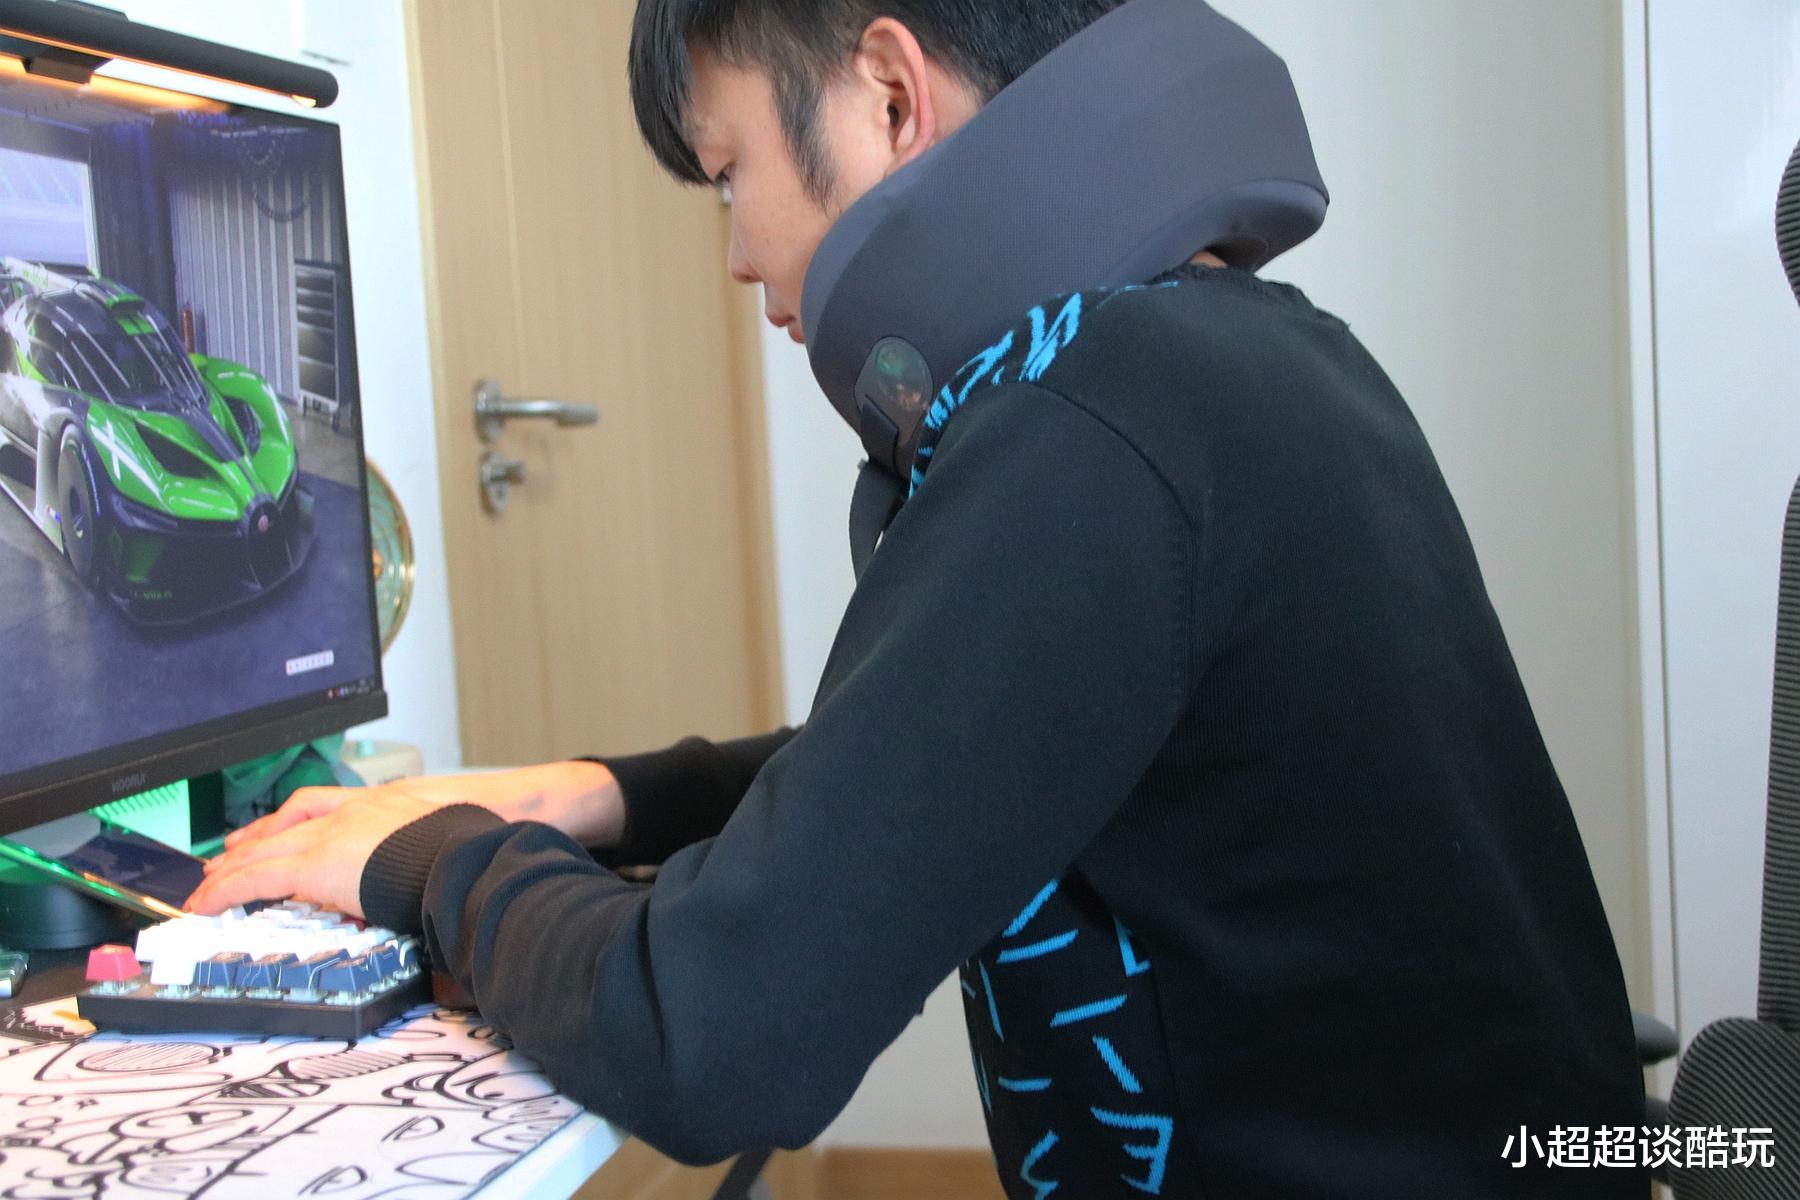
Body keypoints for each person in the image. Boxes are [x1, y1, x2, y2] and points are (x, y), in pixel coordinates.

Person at [188, 2, 1648, 1195]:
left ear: (889, 100)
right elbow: (959, 754)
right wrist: (602, 796)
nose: (739, 254)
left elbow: (714, 1036)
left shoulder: (1090, 427)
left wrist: (423, 861)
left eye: (729, 173)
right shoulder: (1232, 361)